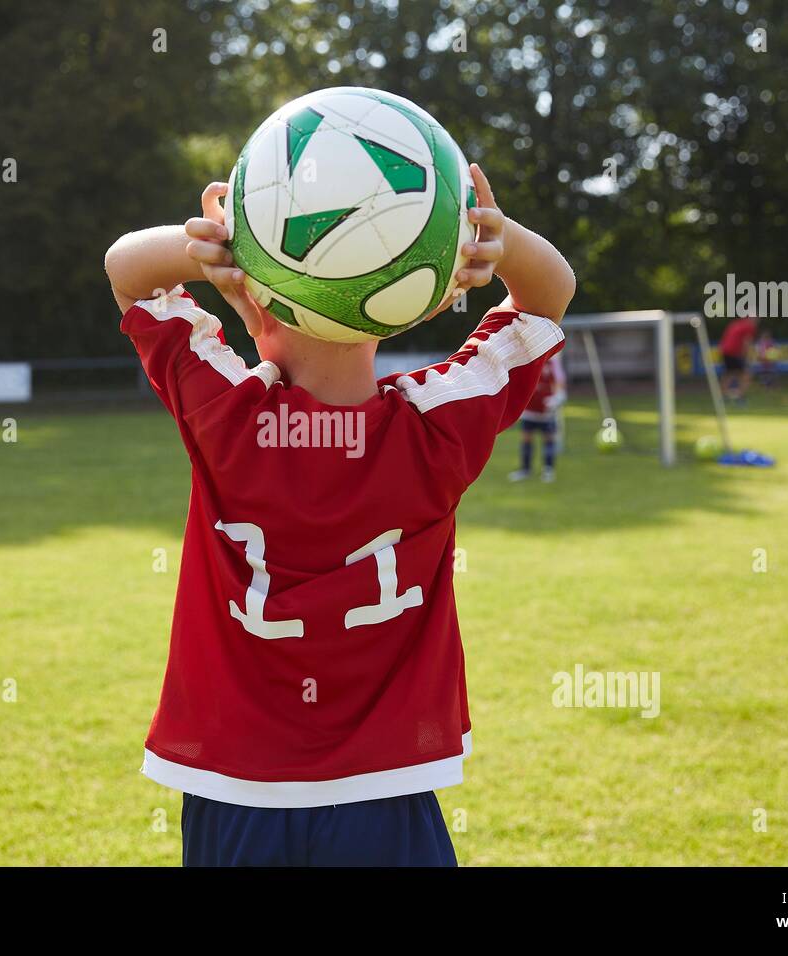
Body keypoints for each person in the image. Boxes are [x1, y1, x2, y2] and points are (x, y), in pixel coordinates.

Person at [104, 164, 574, 866]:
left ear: (254, 305)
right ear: (404, 305)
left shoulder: (226, 415)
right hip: (385, 789)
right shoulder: (438, 427)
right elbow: (548, 299)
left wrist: (216, 244)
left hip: (235, 784)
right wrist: (489, 241)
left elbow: (126, 269)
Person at [508, 351, 566, 482]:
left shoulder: (553, 364)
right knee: (526, 438)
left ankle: (548, 470)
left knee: (548, 439)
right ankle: (525, 469)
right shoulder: (529, 363)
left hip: (546, 412)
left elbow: (560, 384)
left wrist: (556, 399)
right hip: (529, 410)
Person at [719, 314, 758, 404]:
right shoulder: (749, 326)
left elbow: (726, 337)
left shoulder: (736, 323)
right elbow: (746, 342)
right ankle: (739, 398)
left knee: (729, 375)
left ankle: (723, 397)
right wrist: (746, 357)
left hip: (725, 351)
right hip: (734, 352)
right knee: (747, 375)